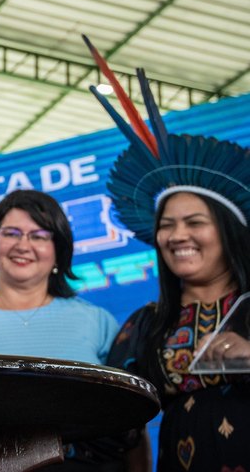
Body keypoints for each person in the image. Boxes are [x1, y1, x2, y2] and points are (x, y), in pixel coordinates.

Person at [84, 36, 250, 471]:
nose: (178, 235)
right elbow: (116, 428)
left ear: (228, 231)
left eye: (195, 223)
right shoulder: (146, 324)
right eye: (166, 225)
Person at [0, 189, 137, 470]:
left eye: (39, 236)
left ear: (58, 251)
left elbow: (129, 421)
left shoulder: (97, 321)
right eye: (11, 233)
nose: (23, 245)